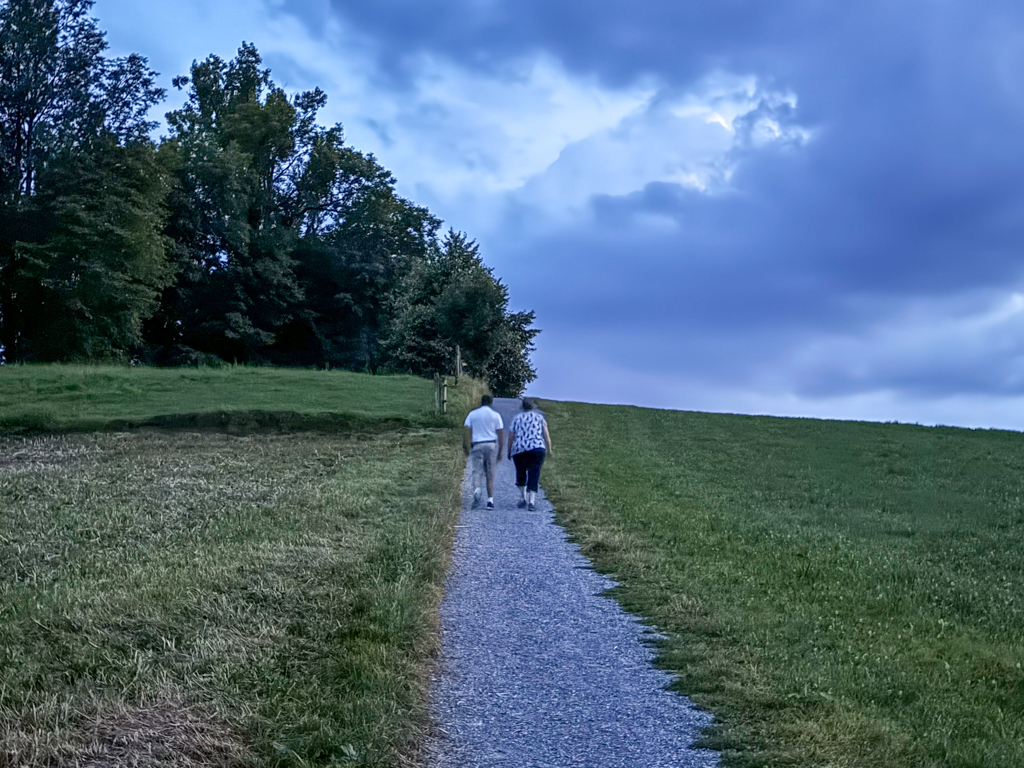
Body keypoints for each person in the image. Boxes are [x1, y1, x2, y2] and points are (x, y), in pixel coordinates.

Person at [506, 397, 552, 511]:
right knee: (534, 473)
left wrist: (509, 450)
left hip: (520, 449)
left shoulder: (516, 418)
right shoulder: (539, 418)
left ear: (522, 407)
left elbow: (511, 436)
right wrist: (549, 448)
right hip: (537, 449)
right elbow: (546, 435)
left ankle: (523, 498)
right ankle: (532, 501)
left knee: (521, 473)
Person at [463, 394, 504, 510]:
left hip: (477, 445)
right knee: (490, 472)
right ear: (491, 403)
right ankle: (490, 500)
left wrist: (466, 446)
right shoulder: (495, 415)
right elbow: (501, 433)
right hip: (491, 444)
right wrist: (500, 450)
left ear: (481, 402)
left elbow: (467, 429)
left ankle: (477, 489)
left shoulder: (473, 414)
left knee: (477, 470)